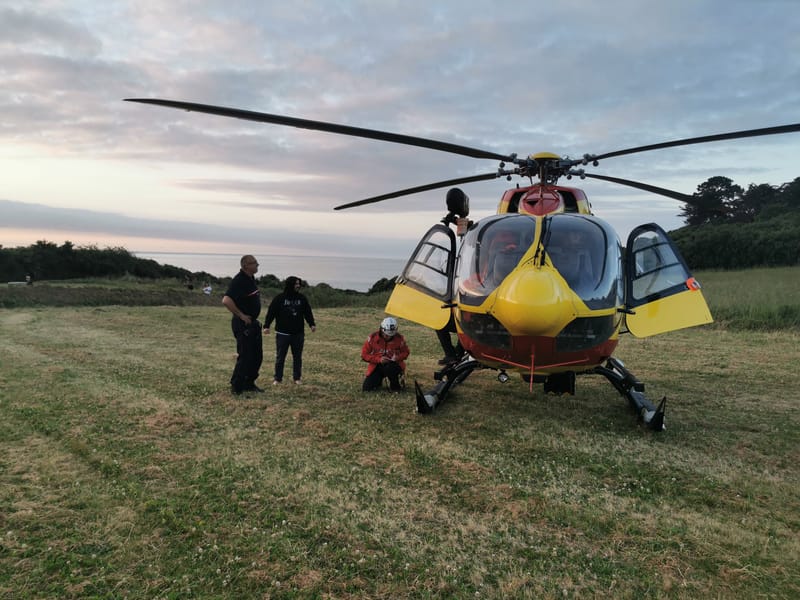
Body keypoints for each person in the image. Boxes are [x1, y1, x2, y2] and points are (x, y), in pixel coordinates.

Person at [222, 255, 264, 395]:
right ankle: (237, 386)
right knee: (245, 356)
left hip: (253, 324)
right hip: (242, 325)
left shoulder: (250, 279)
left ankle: (249, 383)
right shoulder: (239, 280)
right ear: (246, 265)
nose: (257, 265)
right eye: (254, 263)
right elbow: (226, 300)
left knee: (257, 356)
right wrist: (241, 315)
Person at [263, 276, 316, 384]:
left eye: (299, 284)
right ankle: (278, 378)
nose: (298, 286)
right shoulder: (279, 298)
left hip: (298, 333)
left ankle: (297, 378)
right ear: (290, 284)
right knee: (280, 357)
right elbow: (271, 312)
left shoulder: (302, 298)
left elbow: (307, 312)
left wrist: (311, 324)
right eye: (296, 284)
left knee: (297, 357)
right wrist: (266, 326)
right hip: (282, 333)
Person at [361, 317, 410, 392]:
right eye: (386, 335)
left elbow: (406, 352)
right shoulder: (372, 338)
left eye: (391, 335)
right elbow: (364, 355)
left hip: (393, 365)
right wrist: (379, 360)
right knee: (367, 388)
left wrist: (397, 358)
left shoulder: (399, 339)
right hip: (377, 365)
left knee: (390, 368)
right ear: (381, 329)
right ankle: (378, 381)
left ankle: (395, 386)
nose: (388, 337)